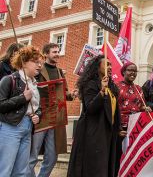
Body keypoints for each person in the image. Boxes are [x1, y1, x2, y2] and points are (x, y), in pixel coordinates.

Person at [67, 55, 120, 177]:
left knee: (105, 164)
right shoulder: (90, 84)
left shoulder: (112, 86)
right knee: (95, 166)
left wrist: (119, 128)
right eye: (107, 64)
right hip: (93, 131)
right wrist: (101, 92)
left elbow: (115, 109)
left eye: (111, 65)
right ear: (97, 67)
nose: (110, 67)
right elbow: (90, 108)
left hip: (108, 131)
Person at [29, 43, 77, 177]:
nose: (57, 54)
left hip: (56, 119)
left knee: (51, 157)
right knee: (32, 156)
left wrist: (71, 94)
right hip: (40, 117)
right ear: (46, 54)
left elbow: (64, 91)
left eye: (58, 51)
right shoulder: (38, 69)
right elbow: (32, 89)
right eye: (54, 52)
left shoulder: (60, 71)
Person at [0, 45, 42, 176]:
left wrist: (38, 115)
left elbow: (36, 107)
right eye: (35, 62)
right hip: (10, 128)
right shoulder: (9, 80)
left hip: (28, 128)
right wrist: (22, 98)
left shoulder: (35, 84)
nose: (39, 65)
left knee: (21, 172)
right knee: (5, 170)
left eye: (40, 62)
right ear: (24, 62)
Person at [114, 62, 151, 176]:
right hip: (120, 127)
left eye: (135, 71)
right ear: (124, 72)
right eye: (130, 70)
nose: (133, 73)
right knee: (118, 156)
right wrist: (117, 128)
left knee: (132, 156)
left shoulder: (138, 88)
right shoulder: (116, 86)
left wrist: (146, 108)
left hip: (135, 127)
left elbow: (140, 106)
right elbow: (111, 108)